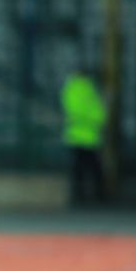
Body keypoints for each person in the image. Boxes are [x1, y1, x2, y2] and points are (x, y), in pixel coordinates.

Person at [61, 69, 106, 205]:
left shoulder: (72, 88)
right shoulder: (86, 89)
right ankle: (95, 195)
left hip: (78, 134)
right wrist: (97, 119)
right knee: (92, 168)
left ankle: (81, 195)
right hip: (88, 134)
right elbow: (94, 111)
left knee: (80, 168)